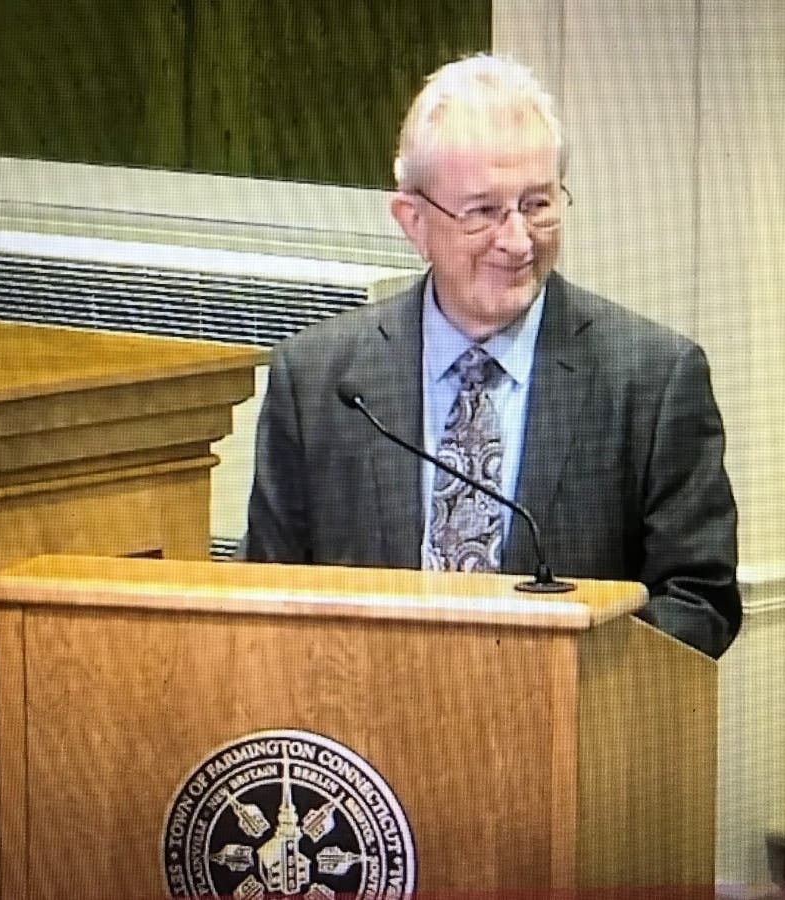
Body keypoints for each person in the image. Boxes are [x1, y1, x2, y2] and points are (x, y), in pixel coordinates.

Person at [241, 54, 740, 658]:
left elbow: (699, 600)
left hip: (565, 736)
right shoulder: (319, 382)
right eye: (483, 211)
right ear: (413, 221)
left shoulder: (651, 379)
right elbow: (264, 596)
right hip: (363, 734)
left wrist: (563, 685)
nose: (516, 240)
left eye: (537, 205)